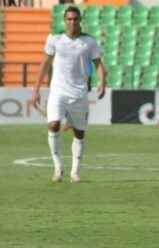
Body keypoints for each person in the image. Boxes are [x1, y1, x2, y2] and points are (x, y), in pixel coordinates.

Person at [31, 6, 106, 183]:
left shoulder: (89, 41)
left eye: (75, 19)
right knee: (54, 125)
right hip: (58, 91)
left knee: (79, 133)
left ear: (80, 20)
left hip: (79, 93)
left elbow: (98, 64)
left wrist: (103, 82)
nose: (72, 22)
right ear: (64, 20)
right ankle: (58, 168)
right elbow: (45, 64)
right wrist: (36, 89)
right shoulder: (54, 38)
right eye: (69, 19)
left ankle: (75, 172)